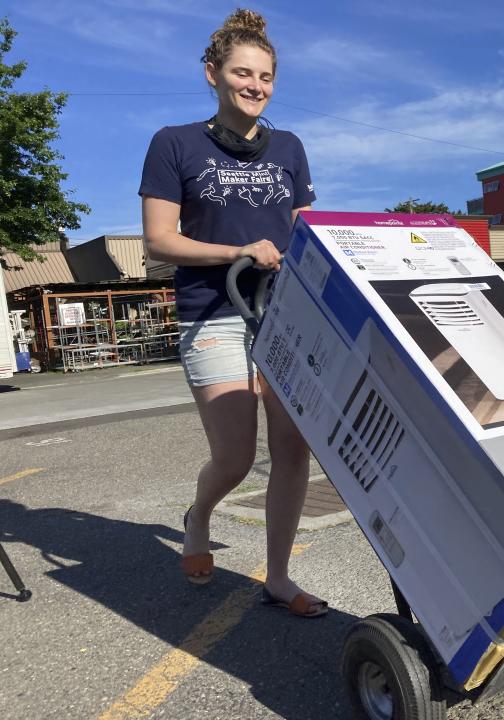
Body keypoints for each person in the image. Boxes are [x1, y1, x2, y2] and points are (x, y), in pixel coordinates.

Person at [139, 9, 325, 617]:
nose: (255, 85)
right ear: (212, 74)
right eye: (242, 73)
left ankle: (277, 575)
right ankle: (199, 517)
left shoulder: (290, 148)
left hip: (283, 316)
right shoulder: (174, 143)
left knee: (293, 450)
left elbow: (304, 232)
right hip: (213, 311)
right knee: (238, 456)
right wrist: (235, 251)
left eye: (266, 76)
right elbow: (160, 242)